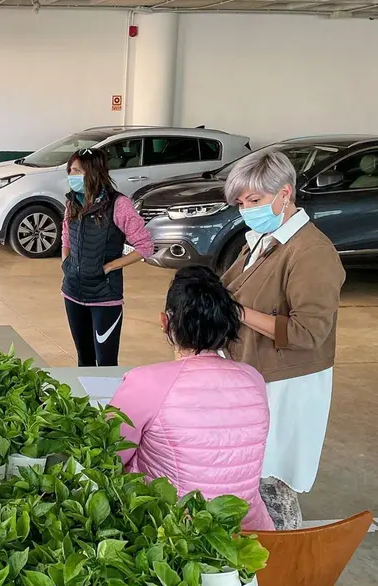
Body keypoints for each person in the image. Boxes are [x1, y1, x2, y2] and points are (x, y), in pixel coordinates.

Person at [221, 149, 346, 530]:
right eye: (241, 203)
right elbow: (229, 289)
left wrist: (238, 313)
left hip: (287, 383)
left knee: (272, 480)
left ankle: (287, 561)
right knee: (248, 475)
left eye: (255, 200)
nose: (247, 210)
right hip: (254, 374)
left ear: (285, 194)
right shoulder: (261, 239)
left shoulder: (311, 252)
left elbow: (307, 332)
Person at [111, 266, 274, 531]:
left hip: (174, 538)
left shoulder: (146, 381)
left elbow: (110, 455)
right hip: (248, 536)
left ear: (165, 321)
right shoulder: (253, 378)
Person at [61, 148, 153, 367]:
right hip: (73, 292)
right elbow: (66, 234)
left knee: (106, 362)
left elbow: (145, 246)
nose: (71, 176)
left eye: (76, 171)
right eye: (70, 170)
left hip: (105, 297)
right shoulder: (72, 202)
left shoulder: (119, 205)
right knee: (84, 359)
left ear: (93, 172)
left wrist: (110, 266)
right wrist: (65, 262)